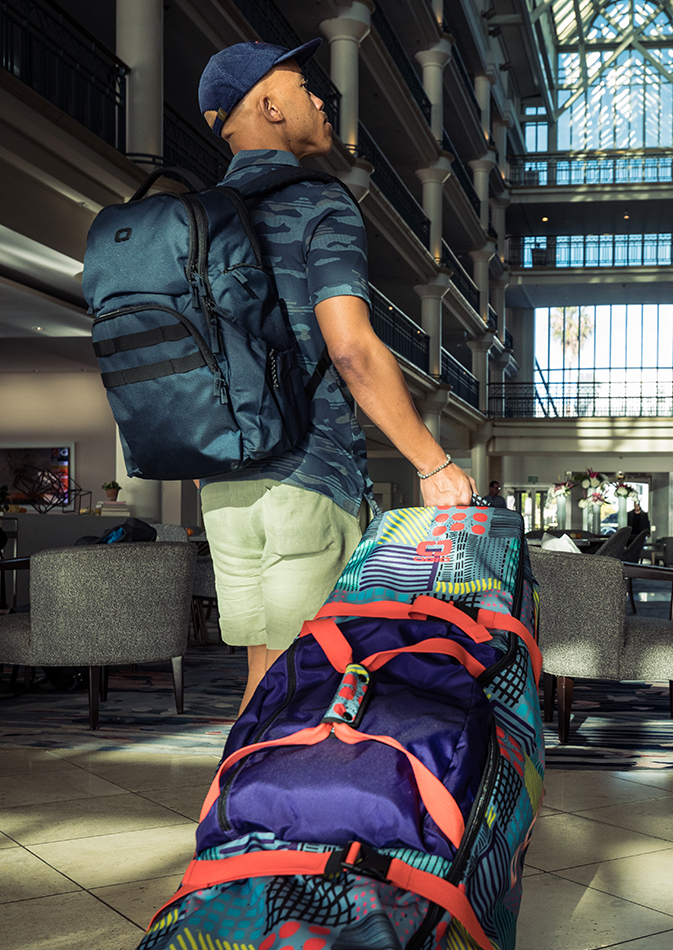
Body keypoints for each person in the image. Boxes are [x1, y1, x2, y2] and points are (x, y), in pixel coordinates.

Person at [197, 39, 476, 714]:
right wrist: (433, 463)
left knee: (265, 678)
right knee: (311, 685)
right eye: (303, 87)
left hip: (224, 488)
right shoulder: (318, 203)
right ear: (269, 106)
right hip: (307, 478)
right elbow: (350, 348)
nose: (322, 100)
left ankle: (235, 785)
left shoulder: (196, 219)